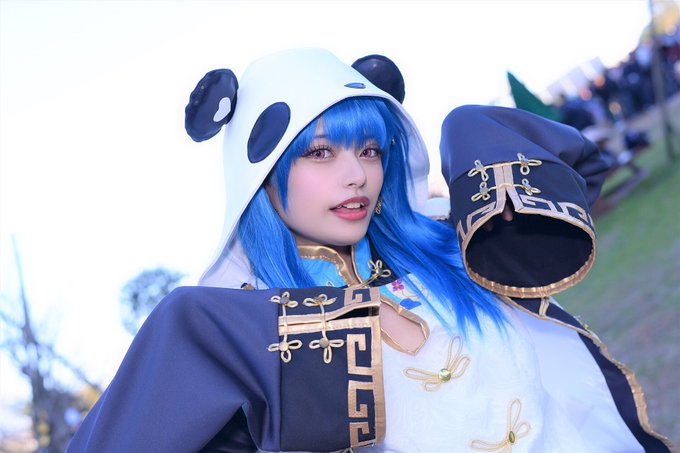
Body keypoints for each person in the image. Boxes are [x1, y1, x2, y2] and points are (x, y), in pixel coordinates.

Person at [67, 49, 675, 452]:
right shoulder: (251, 336)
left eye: (370, 150)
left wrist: (471, 131)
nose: (356, 174)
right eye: (320, 152)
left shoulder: (446, 249)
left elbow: (582, 168)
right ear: (260, 176)